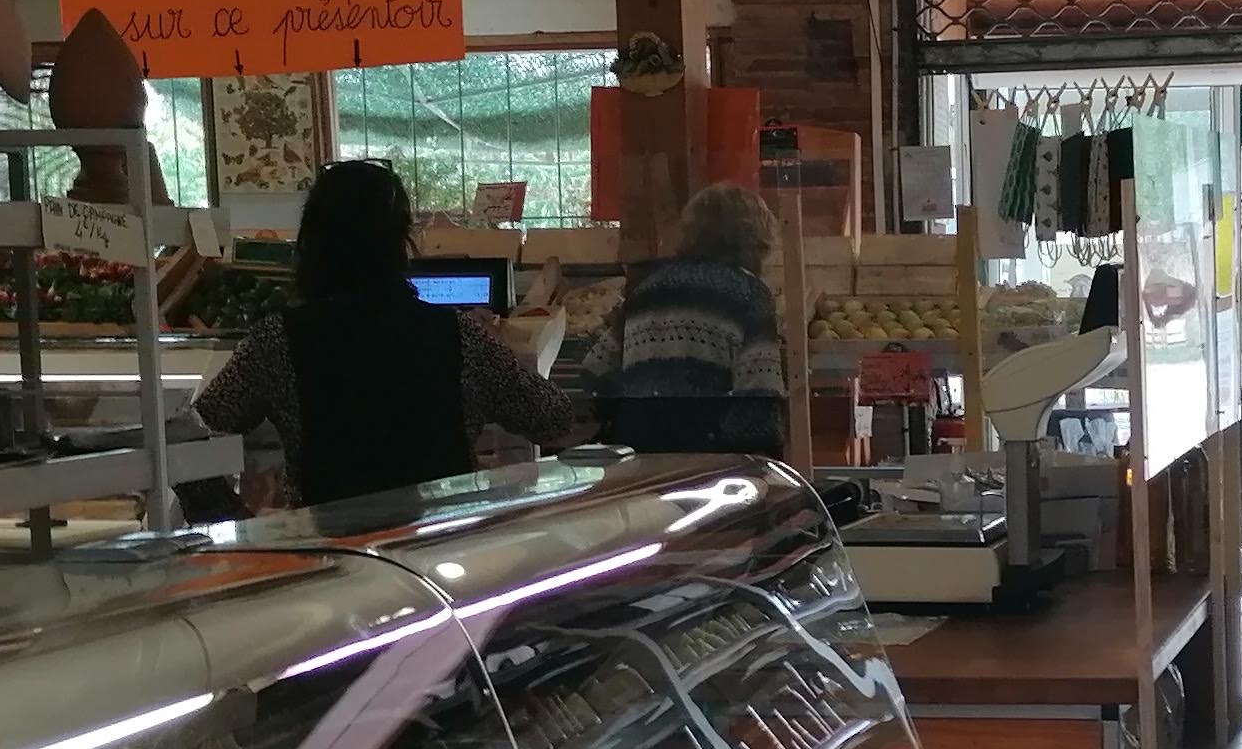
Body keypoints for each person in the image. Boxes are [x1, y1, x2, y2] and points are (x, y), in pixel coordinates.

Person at [192, 159, 580, 507]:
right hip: (437, 547)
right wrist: (502, 350)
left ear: (309, 243)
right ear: (400, 243)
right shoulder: (458, 336)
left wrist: (232, 523)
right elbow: (553, 417)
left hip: (327, 553)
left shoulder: (277, 341)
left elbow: (194, 435)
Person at [599, 184, 793, 456]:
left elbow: (595, 371)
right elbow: (760, 402)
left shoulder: (645, 289)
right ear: (756, 242)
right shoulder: (749, 294)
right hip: (710, 460)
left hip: (639, 458)